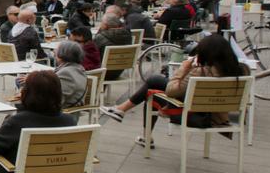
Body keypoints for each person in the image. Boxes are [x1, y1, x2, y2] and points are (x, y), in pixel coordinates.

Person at [100, 33, 248, 147]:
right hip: (219, 117)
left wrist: (183, 69)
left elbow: (172, 91)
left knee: (150, 93)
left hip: (196, 116)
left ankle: (130, 119)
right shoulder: (241, 71)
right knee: (154, 82)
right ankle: (121, 111)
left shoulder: (201, 72)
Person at [53, 41, 88, 108]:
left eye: (56, 50)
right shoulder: (77, 68)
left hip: (62, 114)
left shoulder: (67, 74)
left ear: (62, 54)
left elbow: (55, 101)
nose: (54, 51)